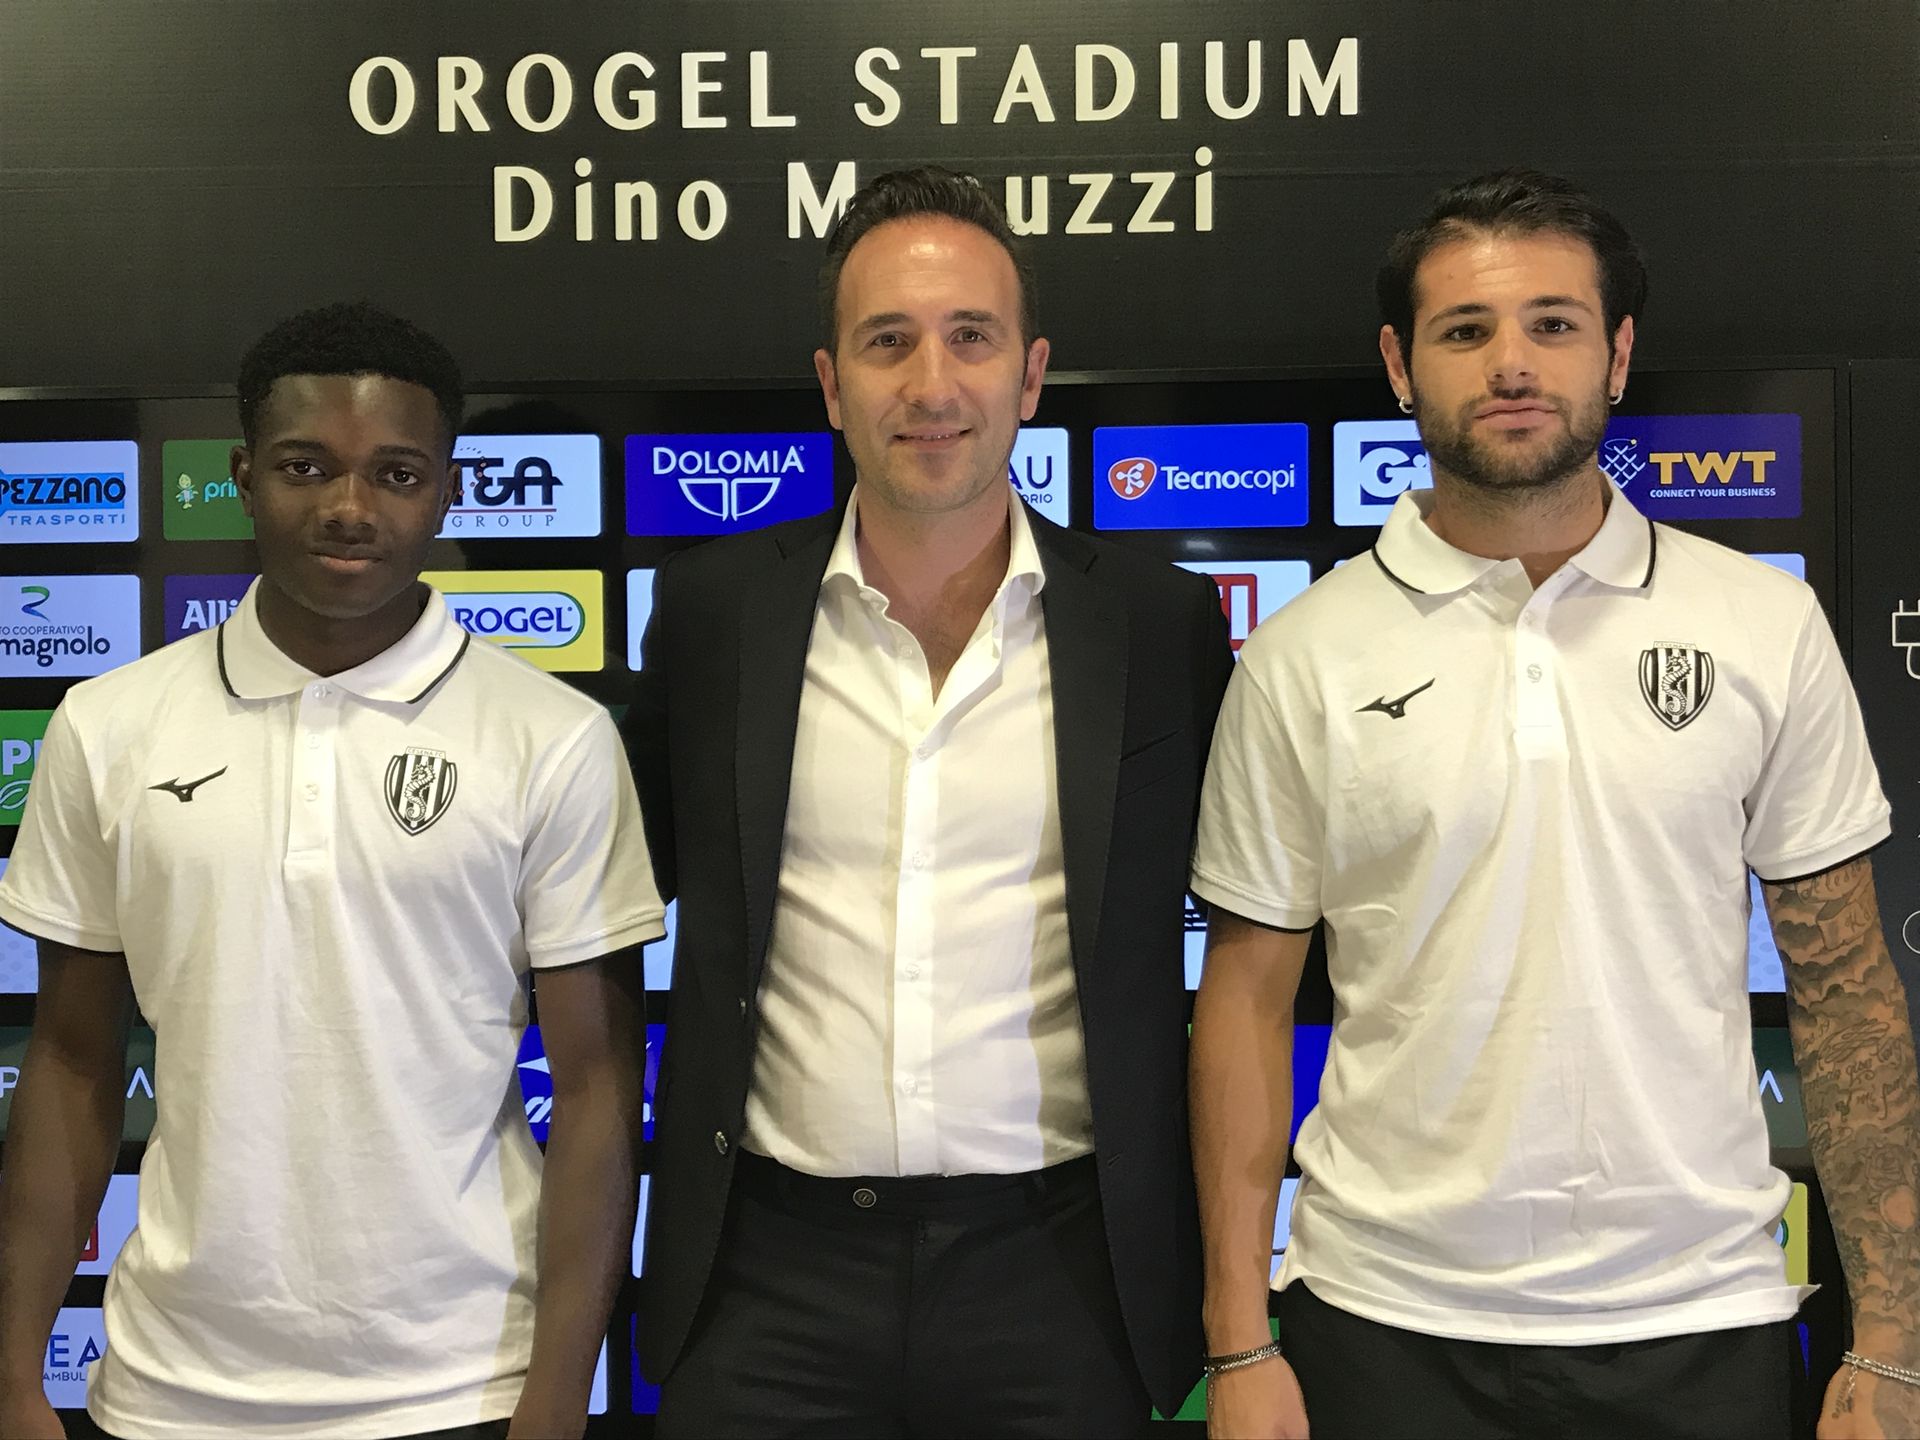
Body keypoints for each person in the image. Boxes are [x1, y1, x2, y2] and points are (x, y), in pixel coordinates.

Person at [1189, 170, 1920, 1440]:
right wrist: (1239, 1339)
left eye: (1554, 324)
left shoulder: (1763, 622)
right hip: (1380, 1321)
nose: (1512, 363)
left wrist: (1896, 1344)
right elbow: (1246, 1002)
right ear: (1400, 365)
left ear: (1617, 355)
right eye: (1465, 330)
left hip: (1701, 1320)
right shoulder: (1303, 656)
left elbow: (1846, 991)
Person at [624, 167, 1235, 1437]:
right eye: (887, 342)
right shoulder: (716, 613)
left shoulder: (1158, 623)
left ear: (1031, 374)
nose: (933, 383)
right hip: (766, 1274)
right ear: (831, 382)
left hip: (1066, 1272)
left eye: (972, 337)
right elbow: (632, 885)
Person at [0, 302, 662, 1440]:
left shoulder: (551, 739)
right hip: (170, 1393)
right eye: (306, 466)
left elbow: (598, 1086)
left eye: (396, 473)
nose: (350, 507)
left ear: (447, 493)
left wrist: (557, 1399)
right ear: (242, 478)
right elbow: (67, 1059)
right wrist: (15, 1373)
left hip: (464, 1388)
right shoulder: (108, 726)